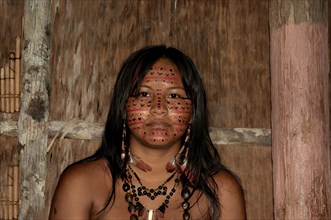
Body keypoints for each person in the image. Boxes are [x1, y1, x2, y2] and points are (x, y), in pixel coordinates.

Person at [49, 45, 246, 220]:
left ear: (193, 112)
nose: (158, 107)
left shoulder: (221, 191)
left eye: (174, 95)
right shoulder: (82, 184)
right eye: (143, 94)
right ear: (123, 107)